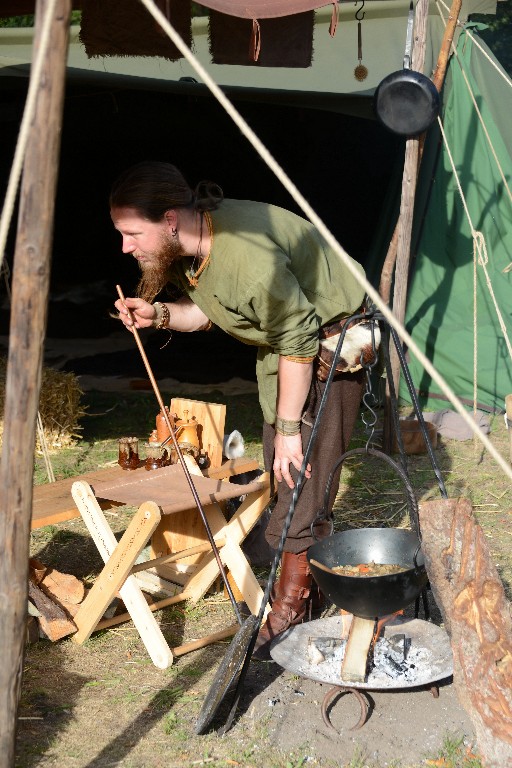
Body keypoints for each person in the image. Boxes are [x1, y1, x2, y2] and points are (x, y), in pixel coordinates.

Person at [112, 161, 367, 659]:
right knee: (283, 463)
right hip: (289, 349)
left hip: (329, 346)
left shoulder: (246, 256)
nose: (126, 247)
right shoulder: (192, 247)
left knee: (299, 470)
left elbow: (298, 337)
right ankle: (299, 563)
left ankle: (293, 601)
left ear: (168, 219)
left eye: (130, 233)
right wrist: (159, 314)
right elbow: (213, 309)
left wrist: (292, 427)